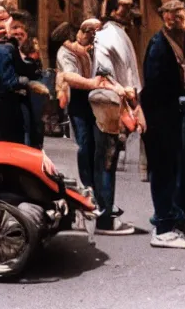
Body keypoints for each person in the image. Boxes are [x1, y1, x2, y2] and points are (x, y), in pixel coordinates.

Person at [54, 19, 132, 236]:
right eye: (91, 32)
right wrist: (94, 84)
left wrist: (117, 87)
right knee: (85, 147)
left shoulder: (95, 49)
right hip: (80, 102)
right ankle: (90, 196)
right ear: (83, 31)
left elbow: (105, 73)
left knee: (100, 152)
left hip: (97, 100)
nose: (93, 36)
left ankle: (101, 201)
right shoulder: (67, 51)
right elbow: (70, 76)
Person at [140, 0, 185, 249]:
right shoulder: (159, 45)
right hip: (160, 118)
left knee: (179, 168)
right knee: (164, 171)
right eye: (176, 17)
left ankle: (170, 217)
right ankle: (163, 228)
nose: (182, 22)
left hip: (171, 115)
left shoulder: (177, 44)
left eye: (183, 16)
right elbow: (154, 87)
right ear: (167, 19)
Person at [89, 0, 143, 235]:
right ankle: (104, 217)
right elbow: (104, 73)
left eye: (131, 6)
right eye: (123, 6)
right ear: (112, 8)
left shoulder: (121, 34)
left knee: (110, 160)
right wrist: (127, 96)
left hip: (120, 102)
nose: (128, 11)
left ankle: (106, 210)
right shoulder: (105, 36)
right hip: (109, 104)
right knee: (106, 161)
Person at [0, 11, 47, 146]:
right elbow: (10, 81)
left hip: (17, 107)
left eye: (22, 28)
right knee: (11, 148)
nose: (19, 31)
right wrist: (27, 82)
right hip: (8, 109)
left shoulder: (15, 49)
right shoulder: (3, 49)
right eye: (14, 27)